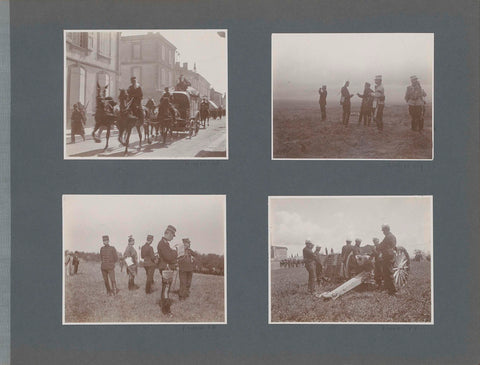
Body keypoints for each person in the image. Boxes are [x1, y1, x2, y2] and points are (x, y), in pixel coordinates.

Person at [157, 225, 178, 314]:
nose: (173, 237)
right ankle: (166, 311)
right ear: (168, 233)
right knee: (166, 288)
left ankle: (164, 306)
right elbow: (169, 257)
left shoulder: (165, 243)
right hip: (166, 268)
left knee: (166, 288)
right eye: (173, 235)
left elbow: (170, 257)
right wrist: (176, 251)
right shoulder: (162, 244)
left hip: (167, 268)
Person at [378, 225, 397, 295]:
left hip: (388, 257)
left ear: (387, 230)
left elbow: (382, 245)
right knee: (386, 273)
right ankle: (388, 289)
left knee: (389, 273)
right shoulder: (391, 236)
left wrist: (378, 248)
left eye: (383, 230)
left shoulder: (388, 237)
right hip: (389, 256)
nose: (383, 232)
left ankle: (393, 291)